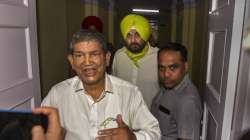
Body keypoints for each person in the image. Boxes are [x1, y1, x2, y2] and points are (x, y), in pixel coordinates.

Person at [41, 30, 161, 140]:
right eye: (79, 55)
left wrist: (134, 138)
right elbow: (38, 130)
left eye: (94, 54)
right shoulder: (58, 94)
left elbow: (154, 133)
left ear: (107, 58)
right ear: (72, 61)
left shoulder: (129, 93)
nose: (87, 62)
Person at [151, 43, 202, 140]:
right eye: (161, 68)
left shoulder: (187, 101)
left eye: (173, 67)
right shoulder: (170, 84)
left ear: (186, 67)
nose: (166, 74)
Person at [112, 14, 159, 107]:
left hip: (150, 116)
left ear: (145, 35)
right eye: (128, 35)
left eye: (138, 35)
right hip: (124, 114)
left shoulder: (158, 56)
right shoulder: (119, 56)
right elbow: (114, 84)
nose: (133, 40)